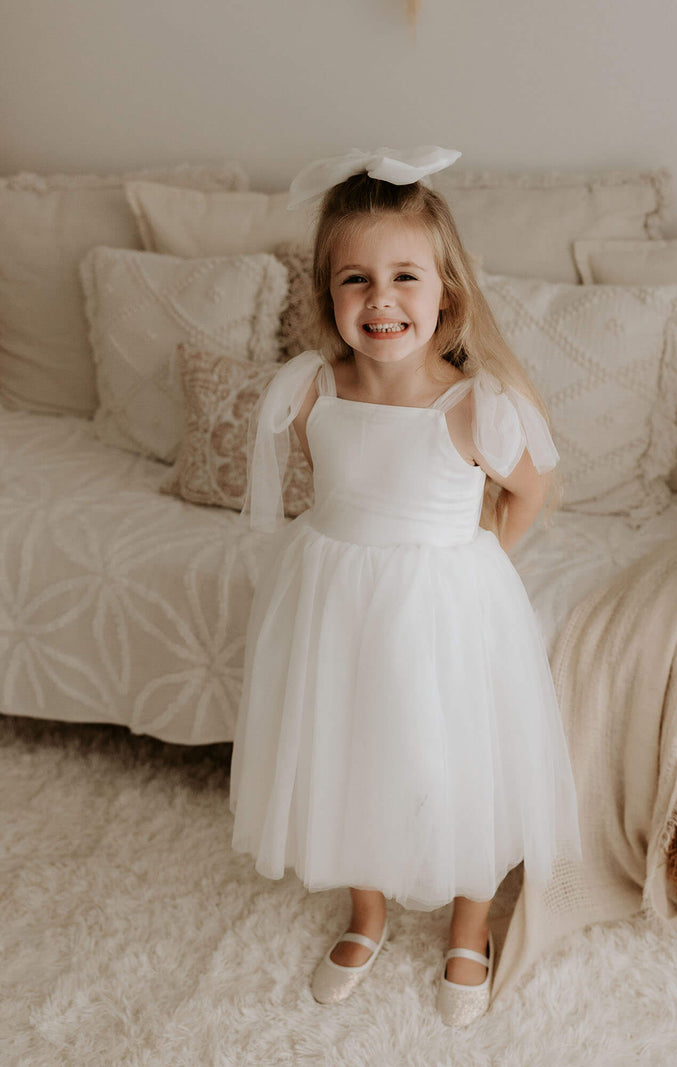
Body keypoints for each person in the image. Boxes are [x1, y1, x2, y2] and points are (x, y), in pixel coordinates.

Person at [230, 147, 581, 1026]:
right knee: (356, 751)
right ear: (327, 295)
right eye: (356, 279)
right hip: (340, 606)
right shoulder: (312, 390)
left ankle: (468, 922)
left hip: (448, 610)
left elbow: (530, 488)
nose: (380, 299)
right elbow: (322, 498)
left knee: (455, 761)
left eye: (403, 277)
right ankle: (368, 910)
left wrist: (476, 559)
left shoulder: (474, 404)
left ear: (445, 293)